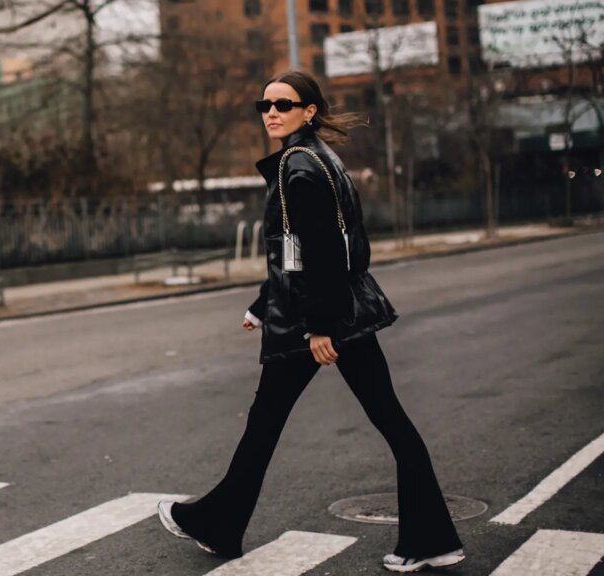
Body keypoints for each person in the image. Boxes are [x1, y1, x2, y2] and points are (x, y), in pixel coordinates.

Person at [156, 70, 465, 573]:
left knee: (335, 421)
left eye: (283, 104)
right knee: (286, 421)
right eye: (265, 105)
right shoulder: (316, 159)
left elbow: (320, 252)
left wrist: (319, 327)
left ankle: (429, 539)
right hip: (322, 311)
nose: (271, 112)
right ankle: (218, 523)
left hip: (322, 318)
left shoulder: (300, 169)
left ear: (308, 111)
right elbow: (294, 254)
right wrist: (263, 303)